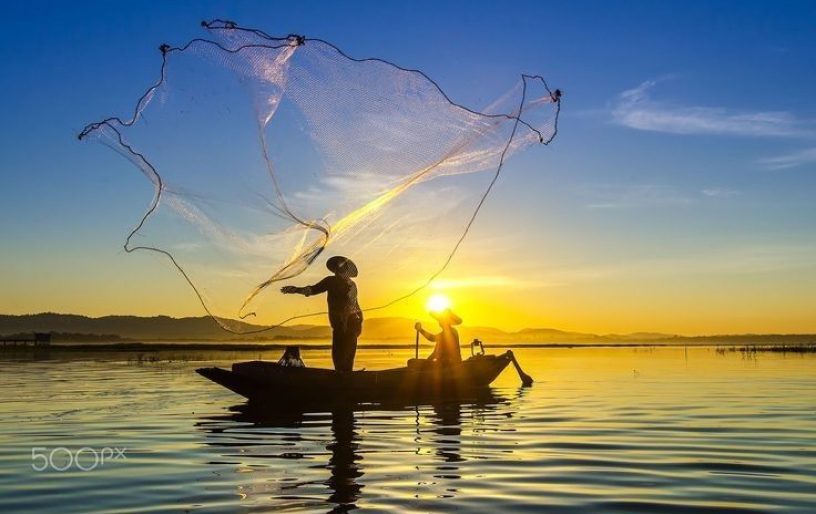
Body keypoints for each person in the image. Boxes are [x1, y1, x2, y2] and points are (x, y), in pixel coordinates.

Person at [281, 256, 363, 372]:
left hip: (352, 325)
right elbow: (313, 289)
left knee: (348, 357)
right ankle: (342, 379)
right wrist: (296, 290)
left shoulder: (352, 285)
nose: (340, 270)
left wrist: (359, 324)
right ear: (335, 269)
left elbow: (356, 305)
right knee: (339, 356)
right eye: (338, 267)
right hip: (339, 326)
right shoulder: (330, 281)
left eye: (343, 267)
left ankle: (346, 380)